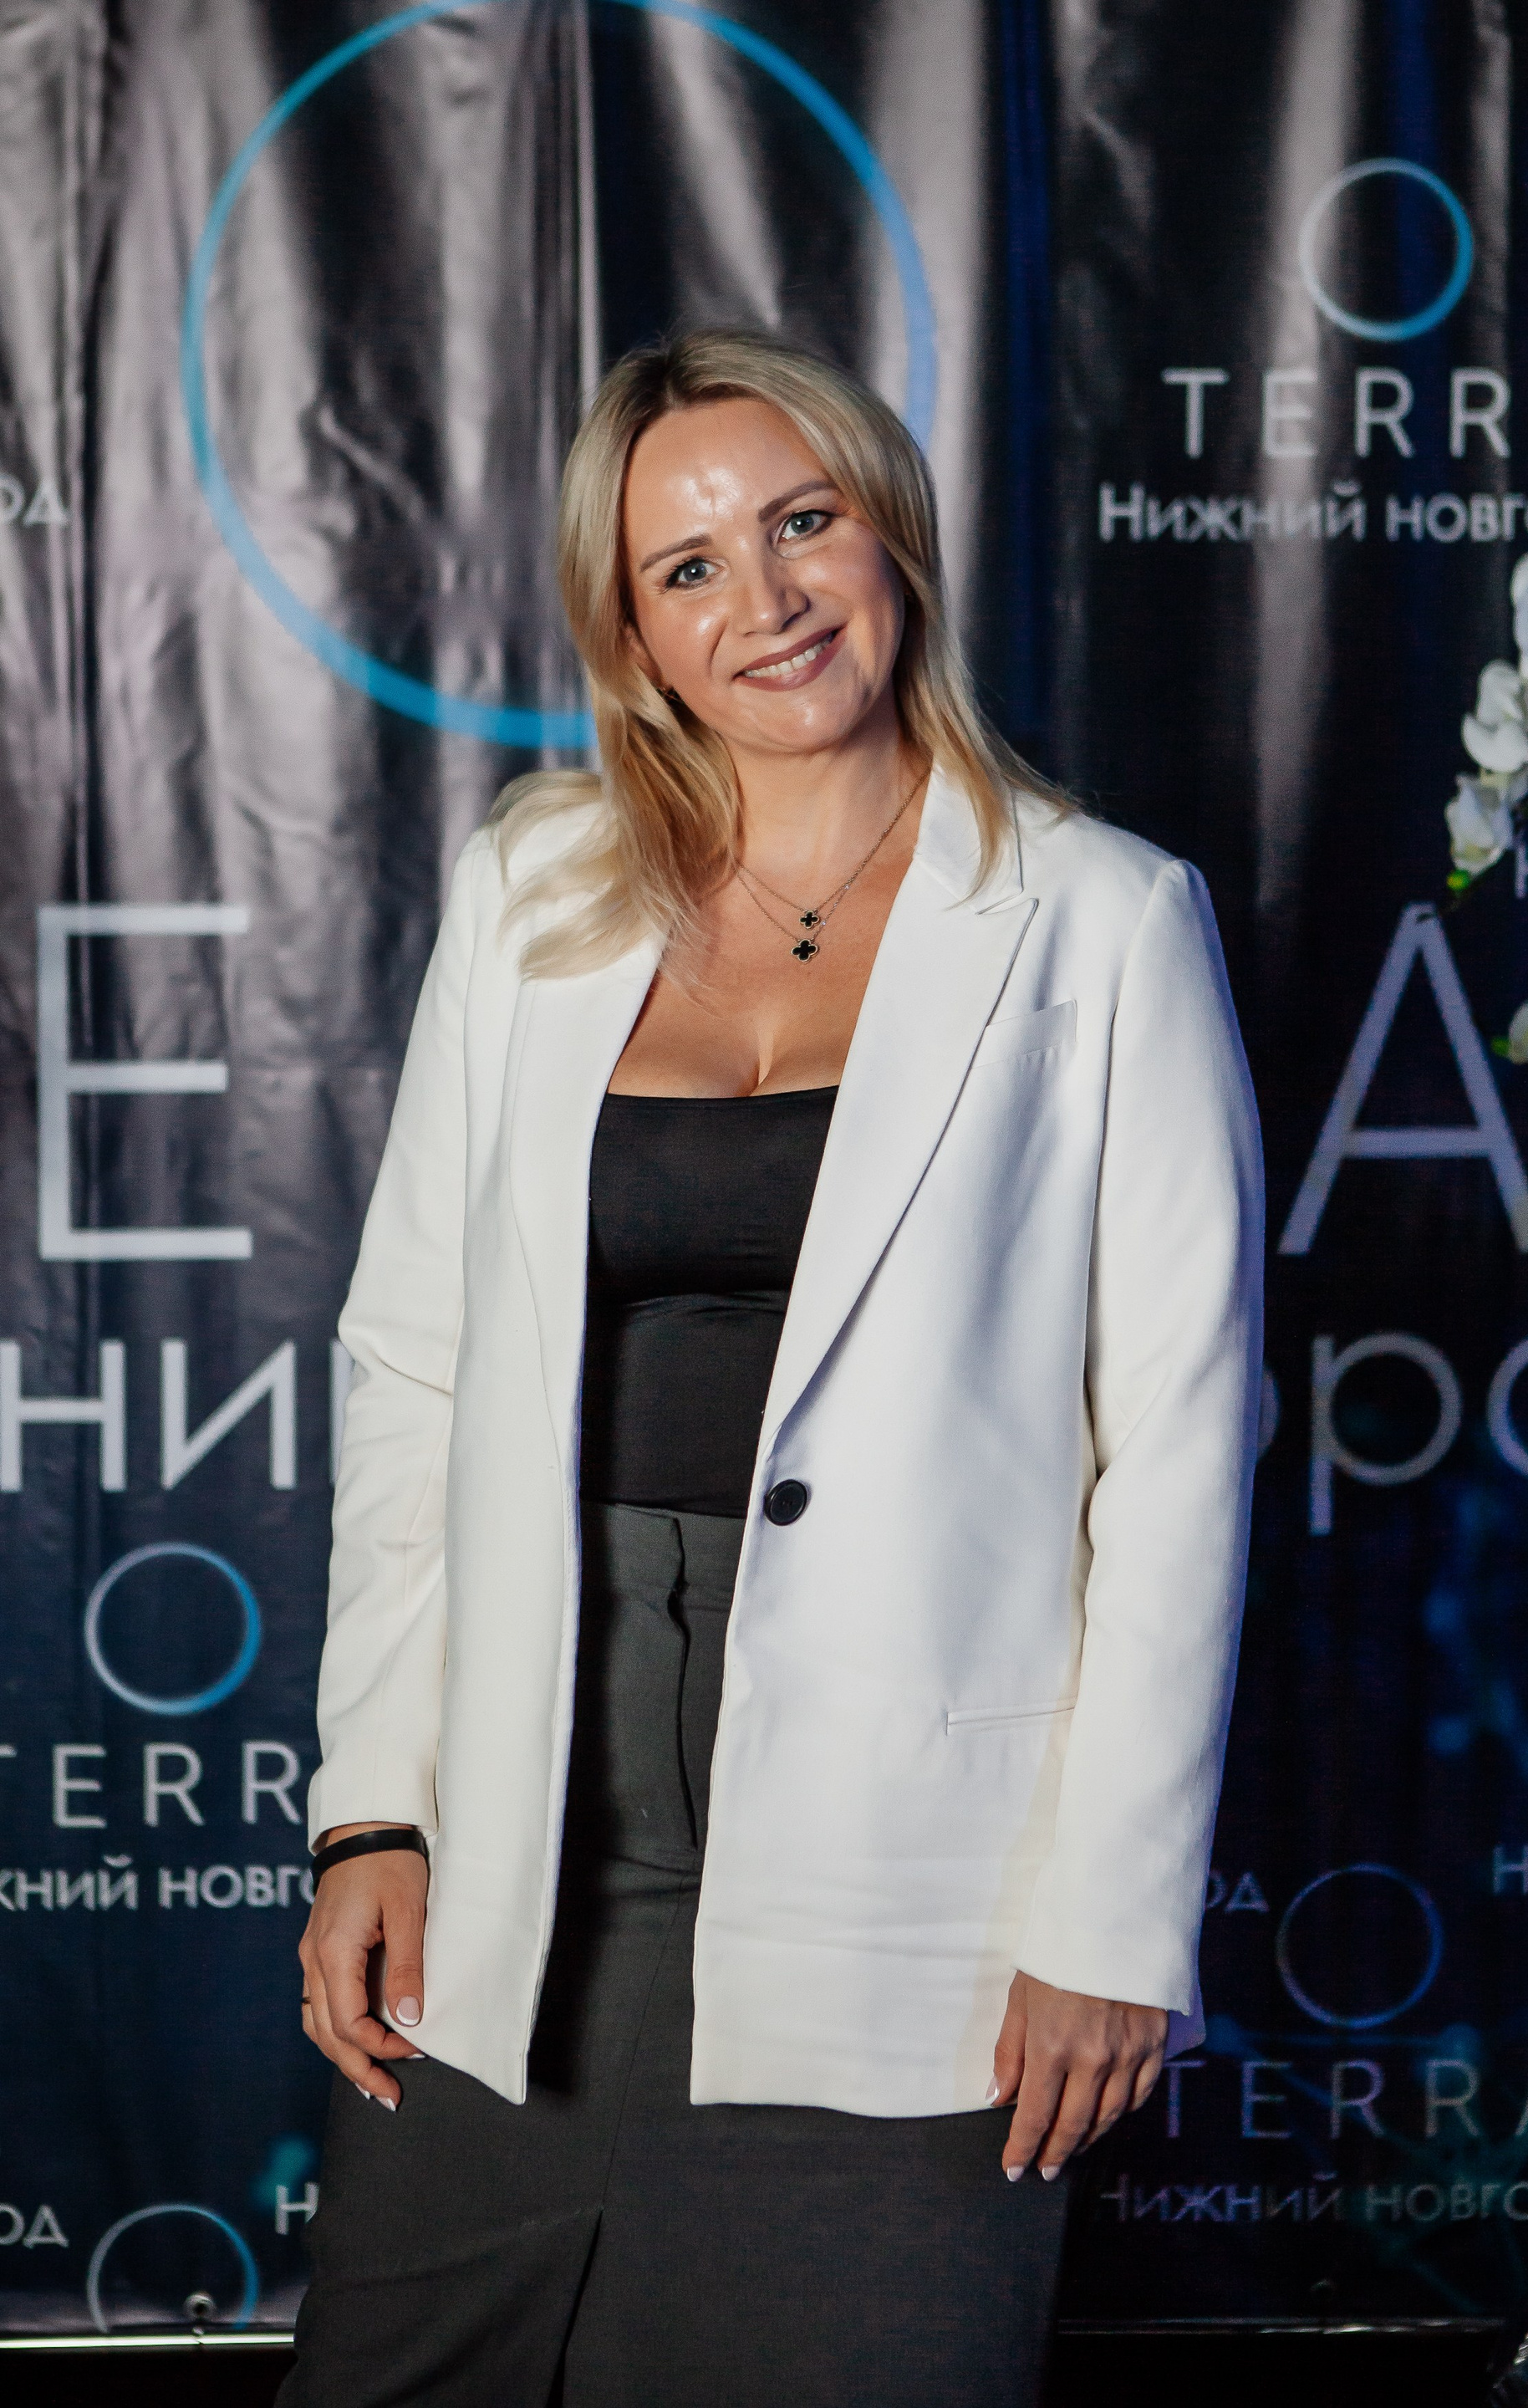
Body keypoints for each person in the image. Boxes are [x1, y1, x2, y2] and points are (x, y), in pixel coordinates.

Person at [283, 327, 1263, 2408]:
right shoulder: (531, 891)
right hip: (536, 1820)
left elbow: (1180, 1456)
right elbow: (412, 1369)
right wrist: (373, 1811)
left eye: (803, 522)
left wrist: (1112, 1920)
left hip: (915, 1870)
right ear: (631, 635)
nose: (768, 598)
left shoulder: (1102, 922)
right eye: (690, 566)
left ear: (890, 532)